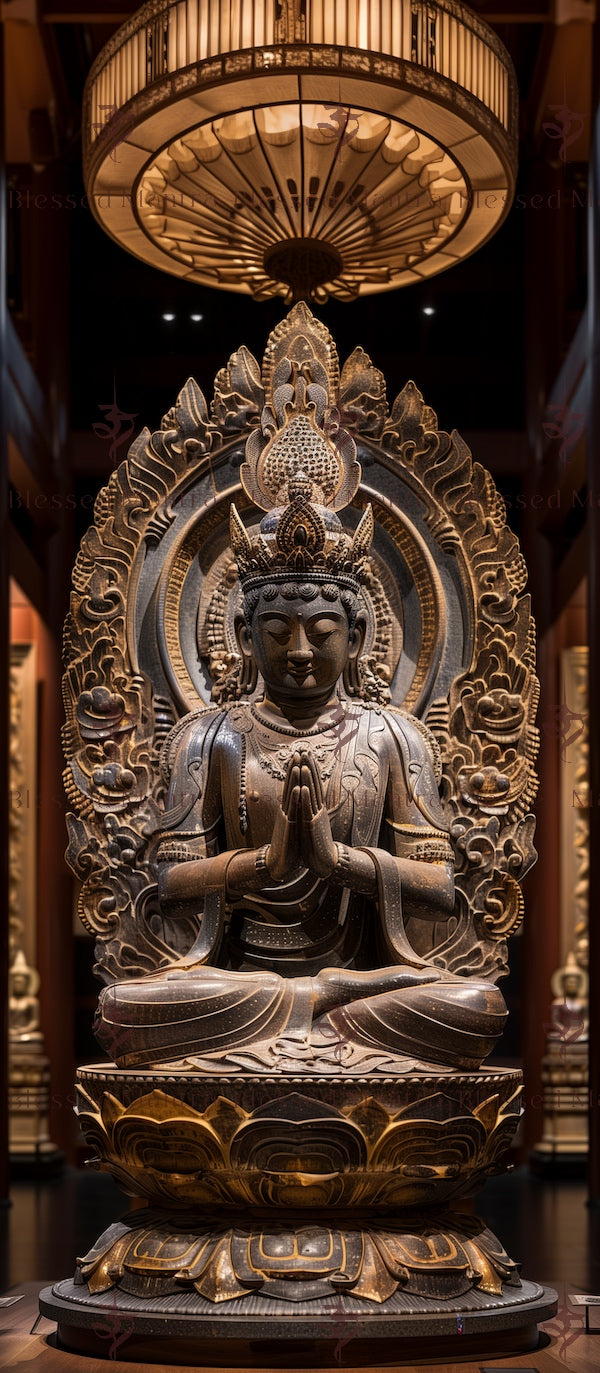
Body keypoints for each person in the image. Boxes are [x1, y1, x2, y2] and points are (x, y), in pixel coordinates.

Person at [96, 413, 506, 1075]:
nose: (300, 650)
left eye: (321, 628)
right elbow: (170, 879)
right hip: (242, 984)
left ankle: (311, 1013)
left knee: (474, 1003)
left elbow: (439, 882)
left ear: (357, 629)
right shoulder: (210, 736)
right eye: (278, 629)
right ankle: (310, 1017)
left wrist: (334, 858)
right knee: (124, 1005)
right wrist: (270, 858)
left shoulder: (396, 736)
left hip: (362, 981)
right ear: (245, 632)